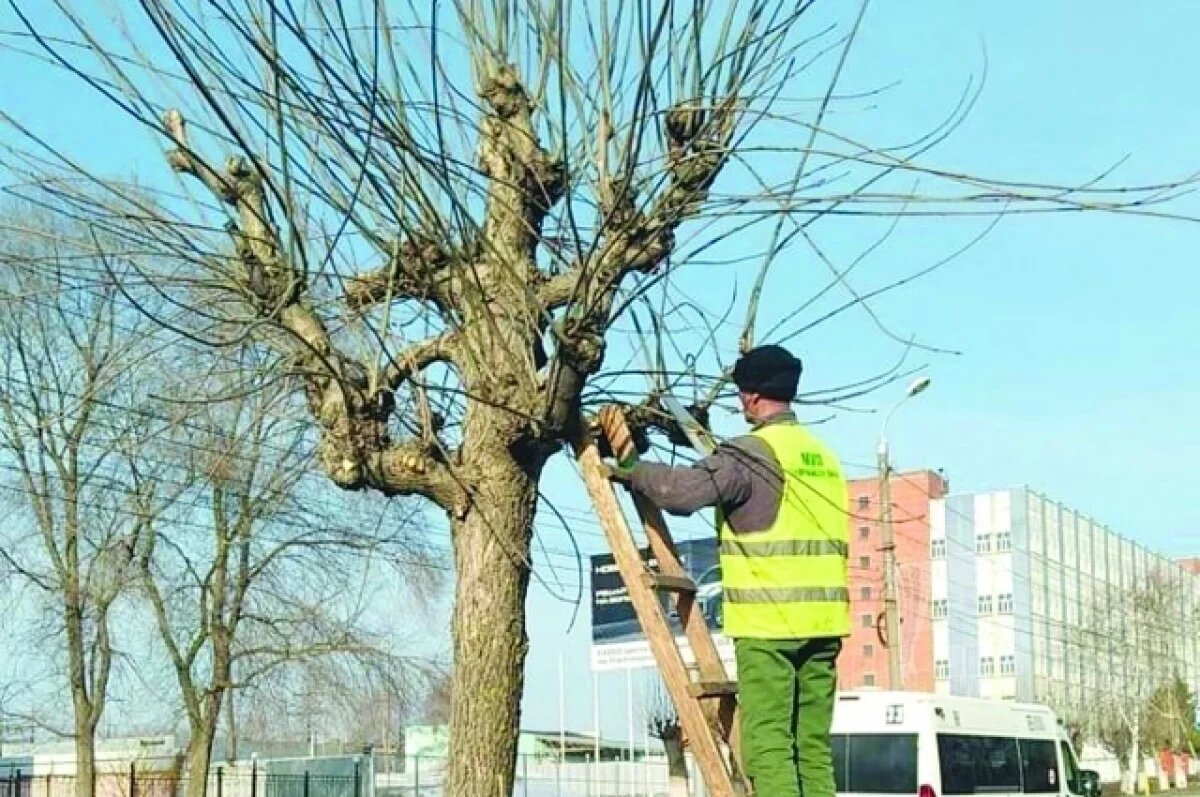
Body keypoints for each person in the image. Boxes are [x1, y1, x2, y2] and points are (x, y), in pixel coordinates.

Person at [606, 344, 849, 797]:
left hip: (770, 625)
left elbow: (682, 493)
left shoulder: (749, 456)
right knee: (812, 748)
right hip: (825, 627)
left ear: (752, 397)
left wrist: (634, 469)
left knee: (769, 747)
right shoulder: (824, 459)